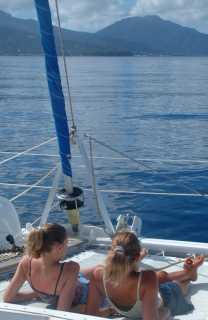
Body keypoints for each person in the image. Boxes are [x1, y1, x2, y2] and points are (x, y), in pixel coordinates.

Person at [86, 231, 204, 319]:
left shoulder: (98, 275)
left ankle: (188, 273)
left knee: (161, 277)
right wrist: (166, 312)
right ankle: (189, 274)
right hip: (164, 298)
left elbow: (91, 314)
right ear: (136, 257)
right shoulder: (147, 279)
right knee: (174, 282)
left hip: (145, 295)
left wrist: (111, 311)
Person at [3, 223, 88, 311]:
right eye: (67, 243)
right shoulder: (71, 269)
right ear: (59, 247)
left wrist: (37, 294)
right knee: (96, 272)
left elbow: (8, 298)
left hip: (74, 282)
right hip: (86, 291)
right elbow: (62, 312)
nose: (67, 247)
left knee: (85, 273)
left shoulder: (26, 262)